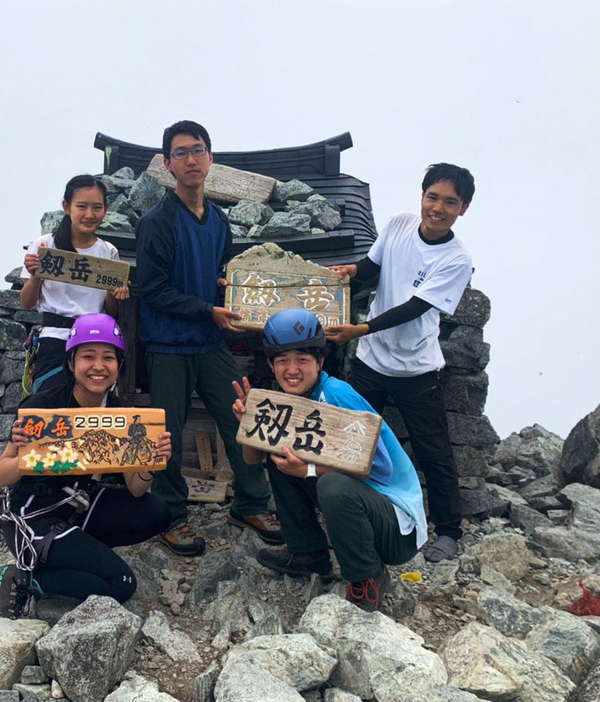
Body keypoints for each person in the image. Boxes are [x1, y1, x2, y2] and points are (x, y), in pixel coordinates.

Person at [135, 120, 281, 556]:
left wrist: (227, 293)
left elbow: (217, 275)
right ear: (167, 164)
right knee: (168, 437)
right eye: (181, 152)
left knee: (242, 419)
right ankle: (170, 516)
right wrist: (208, 309)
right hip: (167, 346)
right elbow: (155, 290)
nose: (191, 159)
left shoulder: (218, 221)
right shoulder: (156, 222)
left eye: (198, 149)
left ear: (211, 158)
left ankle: (251, 504)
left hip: (210, 344)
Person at [325, 163, 475, 563]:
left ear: (464, 209)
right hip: (372, 361)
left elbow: (416, 307)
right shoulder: (399, 224)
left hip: (416, 367)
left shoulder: (457, 260)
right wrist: (351, 271)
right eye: (432, 197)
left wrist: (361, 329)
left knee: (434, 451)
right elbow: (372, 269)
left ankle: (448, 531)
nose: (438, 208)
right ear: (421, 195)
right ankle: (344, 510)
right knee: (348, 437)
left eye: (450, 202)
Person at [232, 309, 427, 612]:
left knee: (333, 484)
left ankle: (367, 576)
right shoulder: (286, 403)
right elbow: (253, 459)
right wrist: (248, 424)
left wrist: (308, 469)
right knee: (279, 454)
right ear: (271, 364)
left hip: (397, 525)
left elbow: (379, 468)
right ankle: (308, 554)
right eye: (282, 360)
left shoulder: (336, 394)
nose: (292, 369)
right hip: (367, 507)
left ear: (320, 361)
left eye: (302, 360)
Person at [0, 313, 172, 618]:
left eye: (108, 358)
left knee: (158, 511)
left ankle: (76, 552)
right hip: (35, 515)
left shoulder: (121, 416)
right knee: (122, 583)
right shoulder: (42, 408)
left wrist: (149, 461)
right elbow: (2, 475)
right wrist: (27, 455)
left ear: (119, 365)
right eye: (88, 356)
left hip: (79, 506)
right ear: (71, 363)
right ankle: (25, 579)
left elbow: (137, 490)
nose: (98, 366)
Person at [21, 175, 130, 393]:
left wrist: (115, 293)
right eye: (82, 206)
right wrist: (36, 275)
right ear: (66, 207)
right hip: (54, 338)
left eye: (97, 207)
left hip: (94, 339)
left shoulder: (108, 252)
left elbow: (111, 310)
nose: (90, 214)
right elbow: (26, 303)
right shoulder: (44, 245)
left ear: (106, 210)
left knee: (90, 410)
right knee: (50, 407)